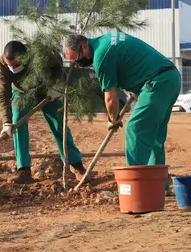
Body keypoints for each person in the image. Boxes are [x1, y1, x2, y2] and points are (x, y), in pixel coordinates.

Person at [63, 31, 181, 193]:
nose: (78, 63)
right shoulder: (106, 40)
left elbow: (110, 97)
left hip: (157, 83)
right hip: (170, 77)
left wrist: (113, 119)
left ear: (84, 46)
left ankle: (135, 187)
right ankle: (159, 187)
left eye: (77, 58)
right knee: (153, 135)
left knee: (135, 128)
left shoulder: (101, 55)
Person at [0, 40, 86, 184]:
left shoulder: (40, 54)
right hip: (22, 93)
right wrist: (6, 122)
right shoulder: (1, 65)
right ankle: (24, 170)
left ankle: (77, 166)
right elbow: (2, 94)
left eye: (16, 65)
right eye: (10, 66)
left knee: (59, 125)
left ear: (24, 58)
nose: (12, 68)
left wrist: (56, 86)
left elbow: (57, 66)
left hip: (46, 91)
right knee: (17, 125)